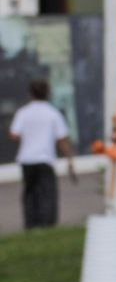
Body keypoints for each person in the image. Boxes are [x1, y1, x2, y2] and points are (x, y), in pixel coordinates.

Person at [8, 79, 74, 229]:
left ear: (30, 94)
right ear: (48, 93)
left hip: (27, 159)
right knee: (47, 194)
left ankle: (31, 224)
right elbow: (62, 138)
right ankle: (47, 225)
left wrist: (28, 135)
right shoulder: (52, 113)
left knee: (30, 194)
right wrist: (70, 158)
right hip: (45, 158)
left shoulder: (23, 112)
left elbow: (14, 134)